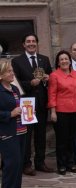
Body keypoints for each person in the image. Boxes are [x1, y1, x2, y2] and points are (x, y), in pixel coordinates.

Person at [11, 33, 53, 176]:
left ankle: (40, 162)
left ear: (37, 43)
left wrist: (47, 79)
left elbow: (51, 79)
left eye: (33, 41)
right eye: (28, 41)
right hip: (26, 104)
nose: (31, 43)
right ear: (24, 44)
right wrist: (30, 83)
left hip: (41, 103)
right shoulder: (17, 61)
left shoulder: (44, 60)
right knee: (27, 136)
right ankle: (26, 164)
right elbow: (14, 83)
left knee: (41, 135)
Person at [48, 50, 76, 175]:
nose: (64, 61)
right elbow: (52, 94)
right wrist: (53, 111)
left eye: (66, 59)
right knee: (62, 140)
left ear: (70, 61)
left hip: (75, 110)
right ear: (58, 62)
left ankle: (70, 163)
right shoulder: (54, 75)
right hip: (61, 112)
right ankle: (62, 165)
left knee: (72, 138)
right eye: (61, 59)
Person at [0, 60, 26, 188]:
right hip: (7, 132)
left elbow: (19, 107)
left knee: (18, 165)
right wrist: (10, 114)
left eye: (12, 70)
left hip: (21, 131)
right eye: (9, 71)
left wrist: (28, 112)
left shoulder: (15, 88)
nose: (12, 73)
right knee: (11, 166)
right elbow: (10, 112)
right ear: (1, 74)